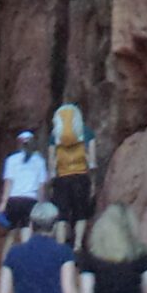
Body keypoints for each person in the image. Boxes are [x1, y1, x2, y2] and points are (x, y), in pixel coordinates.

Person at [47, 102, 96, 247]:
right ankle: (78, 245)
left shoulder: (55, 135)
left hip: (62, 177)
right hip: (81, 176)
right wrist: (93, 182)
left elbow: (51, 161)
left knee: (61, 214)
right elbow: (92, 162)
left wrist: (51, 180)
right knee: (81, 212)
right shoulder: (87, 132)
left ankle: (61, 244)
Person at [0, 127, 46, 237]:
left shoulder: (11, 160)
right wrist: (41, 205)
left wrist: (3, 203)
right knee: (27, 230)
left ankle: (7, 254)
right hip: (31, 200)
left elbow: (8, 183)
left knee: (10, 233)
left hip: (14, 200)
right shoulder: (40, 161)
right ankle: (27, 253)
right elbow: (41, 186)